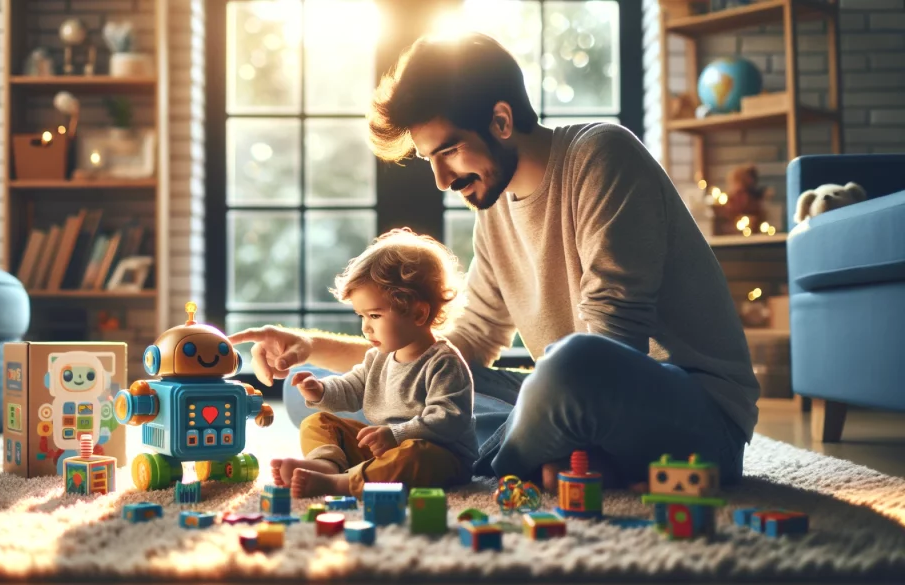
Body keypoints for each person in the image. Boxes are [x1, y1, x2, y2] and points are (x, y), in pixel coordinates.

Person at [230, 32, 759, 493]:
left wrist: (435, 428)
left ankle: (454, 464)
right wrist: (310, 347)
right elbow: (450, 350)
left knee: (568, 367)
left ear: (501, 120)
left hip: (689, 412)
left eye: (449, 151)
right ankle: (488, 456)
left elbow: (612, 346)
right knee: (315, 392)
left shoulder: (602, 156)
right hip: (565, 402)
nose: (440, 179)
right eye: (428, 160)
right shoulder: (496, 210)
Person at [268, 228, 478, 499]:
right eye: (361, 316)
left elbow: (449, 419)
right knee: (318, 421)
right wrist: (320, 391)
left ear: (418, 312)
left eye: (375, 315)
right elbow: (353, 387)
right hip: (383, 444)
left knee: (414, 457)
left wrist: (397, 434)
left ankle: (340, 485)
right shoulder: (378, 357)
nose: (366, 328)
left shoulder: (443, 362)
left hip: (440, 455)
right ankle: (327, 465)